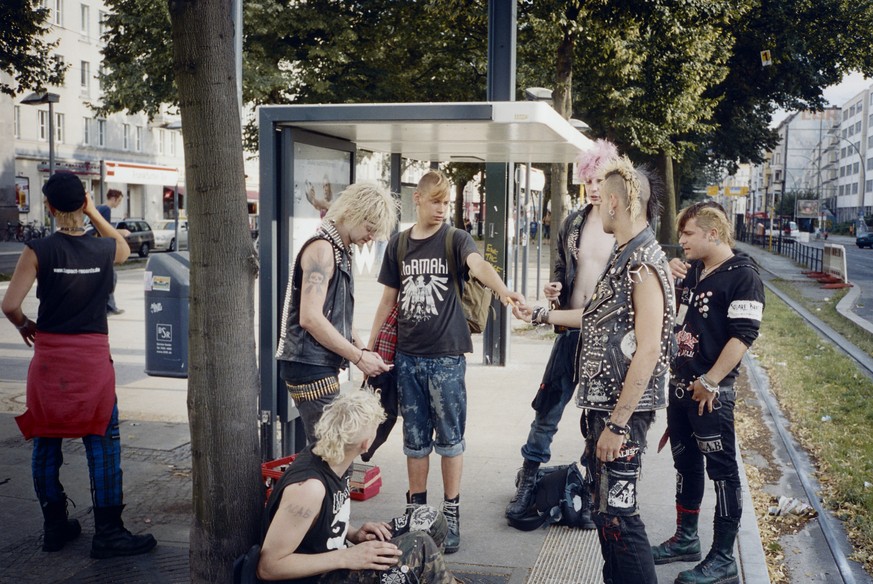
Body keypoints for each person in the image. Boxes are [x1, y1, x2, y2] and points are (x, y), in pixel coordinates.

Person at [514, 156, 675, 584]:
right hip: (603, 411)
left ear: (618, 204)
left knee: (621, 519)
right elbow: (592, 316)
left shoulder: (642, 265)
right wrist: (541, 315)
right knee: (607, 517)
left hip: (621, 417)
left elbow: (648, 350)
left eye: (601, 198)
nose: (596, 206)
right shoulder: (625, 256)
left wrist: (618, 425)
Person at [369, 170, 526, 554]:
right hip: (407, 359)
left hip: (447, 358)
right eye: (435, 201)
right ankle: (417, 512)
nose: (441, 209)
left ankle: (450, 514)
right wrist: (370, 350)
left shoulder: (455, 239)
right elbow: (388, 301)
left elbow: (478, 266)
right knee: (415, 442)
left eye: (446, 202)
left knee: (451, 441)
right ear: (417, 199)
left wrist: (504, 292)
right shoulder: (399, 245)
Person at [1, 171, 157, 558]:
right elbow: (122, 247)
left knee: (46, 441)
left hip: (51, 359)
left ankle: (54, 526)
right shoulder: (104, 249)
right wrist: (93, 211)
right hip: (91, 362)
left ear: (50, 208)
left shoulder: (38, 249)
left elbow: (9, 305)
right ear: (84, 201)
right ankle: (108, 532)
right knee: (103, 444)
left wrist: (26, 326)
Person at [505, 139, 619, 524]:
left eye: (599, 179)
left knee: (598, 417)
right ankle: (529, 480)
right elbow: (560, 270)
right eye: (587, 179)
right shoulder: (574, 221)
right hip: (570, 330)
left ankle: (590, 490)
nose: (592, 187)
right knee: (548, 409)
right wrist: (555, 290)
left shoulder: (626, 227)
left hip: (607, 340)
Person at [651, 201, 764, 584]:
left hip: (710, 395)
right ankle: (686, 539)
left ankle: (722, 558)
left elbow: (743, 335)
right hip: (681, 389)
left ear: (712, 234)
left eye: (687, 234)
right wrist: (667, 275)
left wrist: (712, 381)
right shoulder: (694, 270)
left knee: (723, 473)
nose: (680, 240)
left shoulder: (743, 276)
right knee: (686, 465)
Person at [258, 390, 458, 584]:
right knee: (419, 546)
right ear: (366, 443)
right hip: (318, 576)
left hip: (336, 559)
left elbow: (320, 525)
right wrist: (346, 557)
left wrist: (354, 534)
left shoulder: (338, 455)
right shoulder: (308, 489)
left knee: (431, 520)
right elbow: (268, 567)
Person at [275, 183, 396, 444]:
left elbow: (337, 316)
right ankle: (299, 486)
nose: (371, 237)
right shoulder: (323, 249)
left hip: (314, 364)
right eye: (369, 227)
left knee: (330, 448)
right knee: (334, 449)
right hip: (308, 365)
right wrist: (358, 357)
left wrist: (363, 353)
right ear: (352, 212)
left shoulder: (337, 249)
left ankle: (306, 484)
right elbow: (310, 317)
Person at [95, 189, 127, 316]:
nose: (118, 204)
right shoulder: (106, 210)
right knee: (111, 277)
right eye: (119, 201)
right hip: (99, 249)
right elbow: (105, 230)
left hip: (93, 246)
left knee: (108, 277)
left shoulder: (98, 208)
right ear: (113, 198)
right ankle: (108, 307)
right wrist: (121, 232)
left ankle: (108, 306)